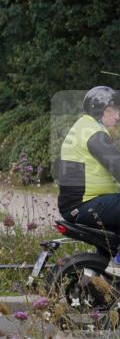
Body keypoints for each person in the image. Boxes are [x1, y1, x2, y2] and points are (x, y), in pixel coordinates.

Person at [58, 86, 120, 238]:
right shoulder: (94, 133)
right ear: (98, 112)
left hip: (79, 205)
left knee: (110, 244)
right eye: (111, 111)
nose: (117, 117)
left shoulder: (84, 127)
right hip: (86, 205)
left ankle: (108, 261)